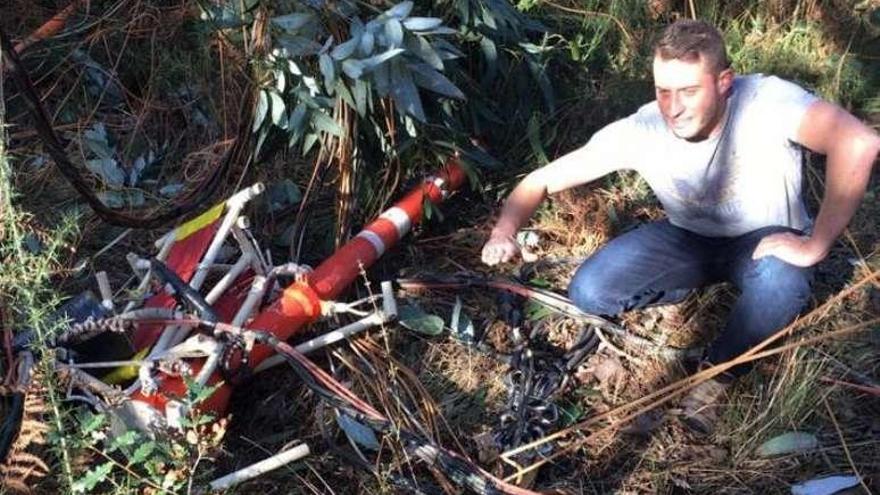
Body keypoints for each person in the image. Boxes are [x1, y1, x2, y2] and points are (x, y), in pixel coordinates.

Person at [480, 19, 880, 434]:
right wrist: (504, 230)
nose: (674, 108)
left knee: (782, 280)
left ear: (725, 82)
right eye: (663, 91)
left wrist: (816, 243)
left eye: (689, 91)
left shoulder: (765, 101)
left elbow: (857, 142)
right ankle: (689, 288)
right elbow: (540, 180)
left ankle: (717, 374)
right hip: (688, 239)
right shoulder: (645, 127)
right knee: (590, 291)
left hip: (766, 238)